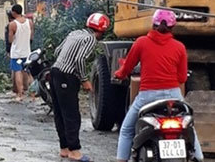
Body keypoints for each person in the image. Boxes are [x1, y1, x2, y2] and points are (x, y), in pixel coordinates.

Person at [114, 9, 203, 162]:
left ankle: (121, 159)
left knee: (127, 129)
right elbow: (182, 78)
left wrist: (119, 74)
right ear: (172, 27)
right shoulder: (179, 47)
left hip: (147, 97)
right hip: (174, 96)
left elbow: (127, 68)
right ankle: (200, 158)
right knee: (189, 128)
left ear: (153, 24)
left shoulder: (141, 42)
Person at [50, 12, 110, 161]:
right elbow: (80, 60)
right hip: (67, 76)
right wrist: (84, 80)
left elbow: (57, 51)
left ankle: (64, 148)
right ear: (101, 30)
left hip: (55, 72)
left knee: (60, 113)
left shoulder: (75, 33)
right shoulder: (90, 39)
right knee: (72, 115)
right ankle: (75, 151)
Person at [8, 4, 33, 101]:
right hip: (27, 52)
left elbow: (10, 40)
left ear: (14, 12)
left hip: (16, 54)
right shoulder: (29, 22)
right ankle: (33, 93)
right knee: (28, 72)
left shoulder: (13, 24)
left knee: (18, 72)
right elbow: (31, 37)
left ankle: (20, 94)